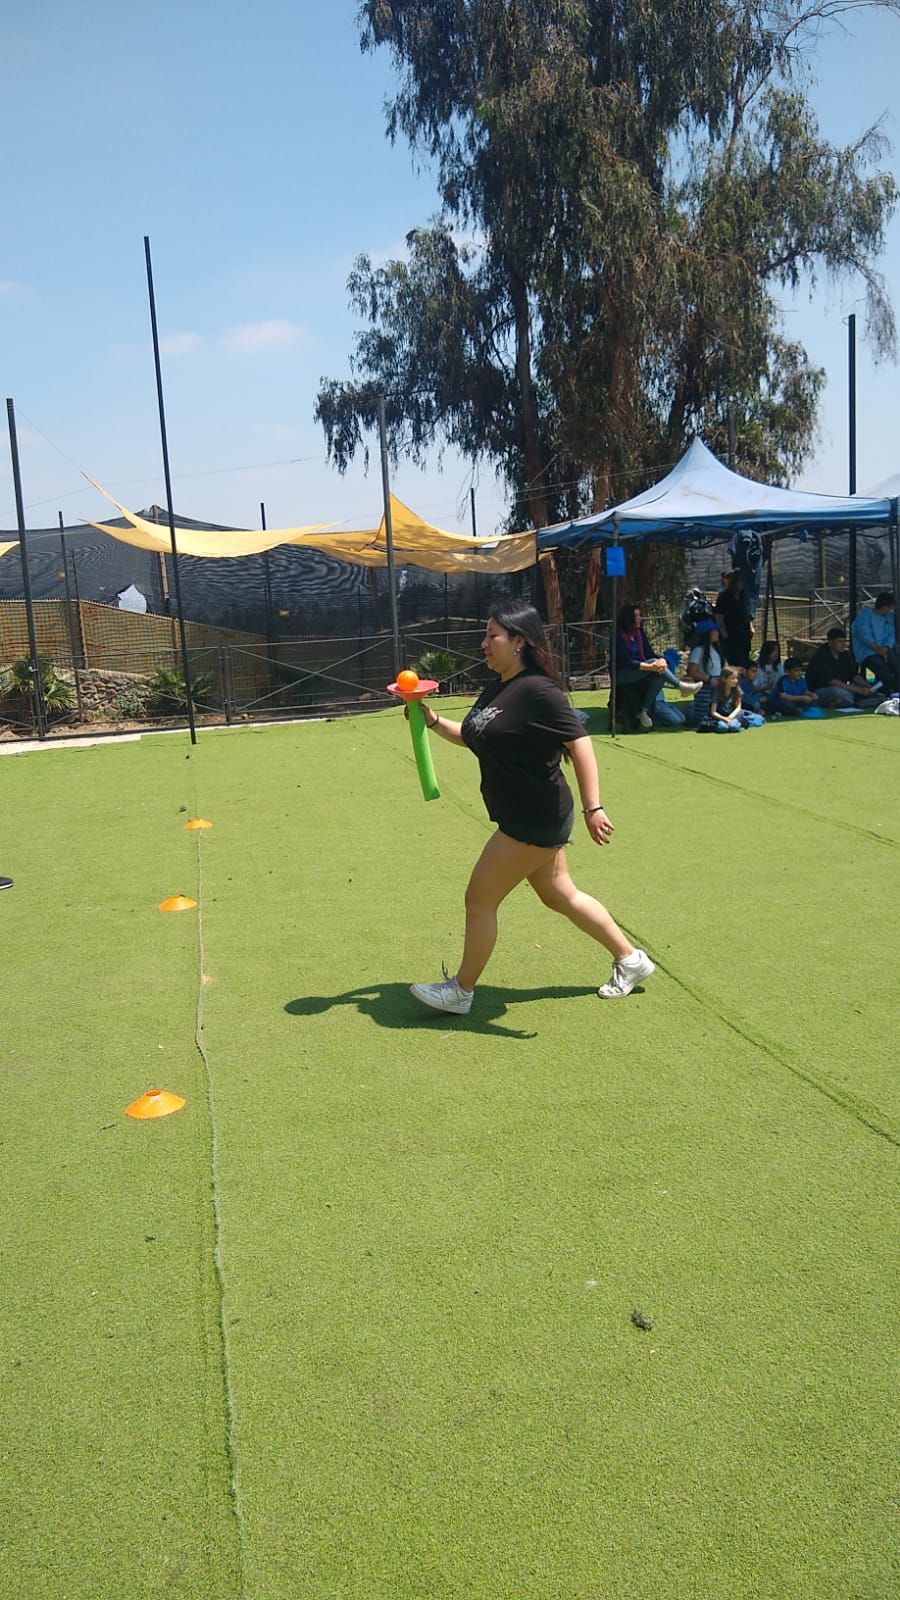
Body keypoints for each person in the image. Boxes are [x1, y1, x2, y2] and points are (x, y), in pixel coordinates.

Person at [408, 602, 655, 1012]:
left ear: (519, 641)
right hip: (524, 813)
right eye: (485, 635)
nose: (484, 643)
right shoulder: (499, 686)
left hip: (535, 818)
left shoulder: (540, 691)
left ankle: (461, 991)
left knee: (479, 899)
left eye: (493, 635)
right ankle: (631, 960)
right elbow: (475, 735)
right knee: (560, 894)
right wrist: (432, 721)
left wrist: (593, 807)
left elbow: (580, 743)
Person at [614, 603, 698, 728]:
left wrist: (661, 660)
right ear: (628, 618)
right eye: (637, 615)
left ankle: (643, 711)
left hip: (642, 670)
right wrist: (651, 666)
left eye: (639, 615)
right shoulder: (618, 637)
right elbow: (627, 662)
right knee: (654, 663)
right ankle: (680, 685)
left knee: (658, 679)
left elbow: (649, 653)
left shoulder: (640, 634)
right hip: (623, 674)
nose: (640, 618)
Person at [805, 627, 882, 708]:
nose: (843, 645)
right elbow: (832, 681)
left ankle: (854, 699)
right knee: (838, 692)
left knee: (856, 689)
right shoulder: (821, 656)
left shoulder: (845, 655)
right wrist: (859, 690)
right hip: (821, 690)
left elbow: (854, 675)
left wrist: (868, 686)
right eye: (840, 641)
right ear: (830, 642)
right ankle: (857, 700)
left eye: (845, 641)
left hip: (843, 688)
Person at [850, 592, 898, 694]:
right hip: (868, 652)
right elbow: (864, 634)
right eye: (890, 608)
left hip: (885, 649)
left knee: (897, 667)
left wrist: (886, 647)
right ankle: (888, 691)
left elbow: (891, 634)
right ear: (885, 606)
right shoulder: (865, 615)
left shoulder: (888, 617)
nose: (890, 611)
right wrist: (876, 648)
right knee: (884, 672)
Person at [697, 665, 765, 732]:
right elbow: (713, 712)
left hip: (734, 715)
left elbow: (738, 708)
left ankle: (738, 726)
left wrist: (730, 718)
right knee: (722, 727)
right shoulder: (717, 691)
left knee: (734, 726)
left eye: (737, 678)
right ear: (724, 679)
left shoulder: (737, 691)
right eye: (732, 678)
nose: (735, 681)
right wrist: (725, 719)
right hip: (720, 716)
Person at [684, 619, 723, 724]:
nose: (717, 633)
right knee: (703, 717)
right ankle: (690, 711)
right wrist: (710, 679)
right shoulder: (698, 650)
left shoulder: (717, 649)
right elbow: (692, 672)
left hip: (718, 684)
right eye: (714, 630)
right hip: (706, 686)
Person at [714, 570, 754, 667]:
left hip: (743, 632)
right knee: (733, 660)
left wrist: (751, 627)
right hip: (730, 632)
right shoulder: (724, 597)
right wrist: (725, 635)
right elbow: (719, 618)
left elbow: (747, 614)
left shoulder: (744, 597)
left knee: (744, 659)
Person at [751, 640, 784, 717]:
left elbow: (782, 682)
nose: (776, 653)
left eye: (777, 651)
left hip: (775, 694)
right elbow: (753, 688)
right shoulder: (756, 666)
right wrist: (767, 687)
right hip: (760, 693)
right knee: (755, 701)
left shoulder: (779, 666)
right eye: (774, 651)